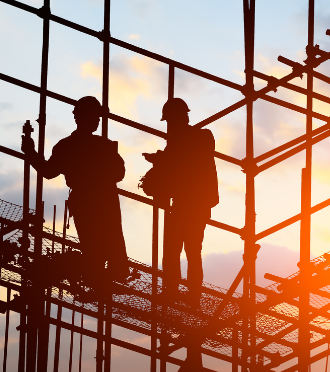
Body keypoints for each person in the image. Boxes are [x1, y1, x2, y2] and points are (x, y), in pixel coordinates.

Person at [21, 96, 129, 283]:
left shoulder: (66, 146)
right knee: (110, 241)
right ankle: (108, 277)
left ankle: (98, 278)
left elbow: (48, 171)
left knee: (94, 243)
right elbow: (119, 173)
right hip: (104, 199)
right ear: (83, 118)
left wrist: (31, 153)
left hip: (86, 200)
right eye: (95, 117)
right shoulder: (103, 145)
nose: (97, 121)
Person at [143, 98, 219, 302]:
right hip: (183, 203)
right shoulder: (178, 142)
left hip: (195, 203)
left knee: (191, 250)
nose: (169, 126)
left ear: (181, 118)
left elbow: (186, 160)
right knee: (174, 249)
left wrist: (160, 159)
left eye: (170, 121)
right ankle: (173, 290)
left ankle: (191, 293)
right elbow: (173, 164)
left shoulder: (202, 136)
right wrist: (159, 160)